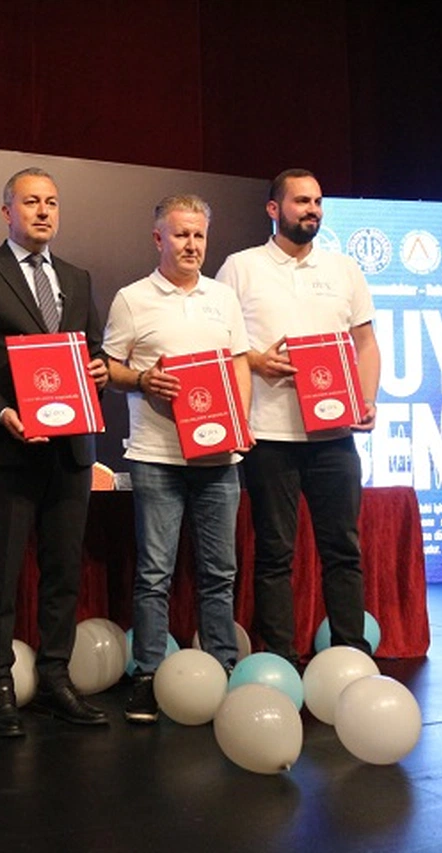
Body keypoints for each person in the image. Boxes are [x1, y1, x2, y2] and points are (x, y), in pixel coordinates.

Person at [0, 167, 110, 737]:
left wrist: (99, 372)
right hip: (10, 449)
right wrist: (2, 413)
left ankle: (56, 679)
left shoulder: (78, 278)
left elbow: (93, 353)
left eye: (52, 203)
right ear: (6, 212)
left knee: (63, 573)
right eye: (31, 202)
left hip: (70, 450)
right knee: (0, 574)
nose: (43, 211)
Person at [216, 168, 381, 667]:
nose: (312, 210)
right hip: (269, 435)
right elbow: (219, 345)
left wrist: (367, 399)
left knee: (343, 550)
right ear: (274, 209)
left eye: (317, 201)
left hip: (334, 434)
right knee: (274, 554)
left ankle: (351, 655)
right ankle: (281, 660)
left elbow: (365, 342)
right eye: (301, 201)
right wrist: (255, 360)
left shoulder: (344, 269)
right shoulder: (240, 267)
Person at [102, 195, 251, 723]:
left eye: (199, 235)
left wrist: (241, 424)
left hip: (220, 458)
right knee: (153, 574)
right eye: (181, 234)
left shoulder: (223, 298)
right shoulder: (131, 299)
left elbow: (238, 365)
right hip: (156, 457)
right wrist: (143, 379)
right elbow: (108, 369)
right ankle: (147, 675)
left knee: (220, 573)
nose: (192, 245)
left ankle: (224, 670)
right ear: (158, 239)